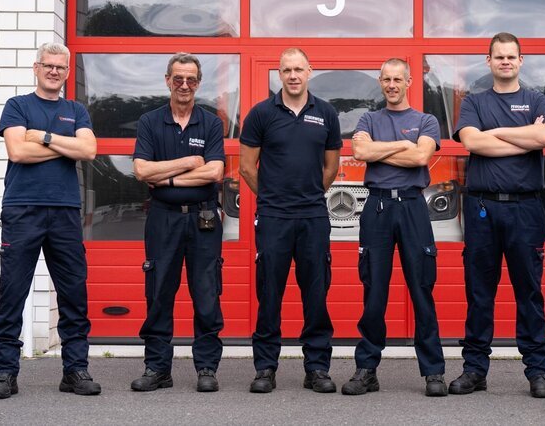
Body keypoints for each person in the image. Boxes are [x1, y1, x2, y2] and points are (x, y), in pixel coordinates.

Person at [0, 42, 101, 399]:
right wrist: (65, 146)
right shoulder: (18, 105)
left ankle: (75, 370)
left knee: (73, 293)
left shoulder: (75, 110)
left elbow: (89, 150)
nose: (54, 71)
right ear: (36, 68)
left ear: (67, 73)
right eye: (48, 65)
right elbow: (18, 151)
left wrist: (45, 137)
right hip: (22, 209)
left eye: (60, 67)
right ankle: (5, 373)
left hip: (65, 211)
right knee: (12, 291)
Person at [448, 32, 545, 397]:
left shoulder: (538, 99)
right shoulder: (474, 101)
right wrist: (523, 137)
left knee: (529, 292)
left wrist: (496, 133)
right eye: (499, 57)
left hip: (526, 209)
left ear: (520, 61)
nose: (505, 62)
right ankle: (474, 369)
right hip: (483, 208)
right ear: (489, 61)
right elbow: (472, 141)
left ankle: (538, 371)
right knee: (479, 292)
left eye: (511, 56)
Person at [340, 58, 447, 397]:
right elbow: (360, 150)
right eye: (386, 79)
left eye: (397, 79)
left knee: (421, 288)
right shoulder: (369, 119)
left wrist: (380, 151)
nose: (391, 85)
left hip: (413, 207)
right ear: (380, 82)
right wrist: (403, 145)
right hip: (378, 207)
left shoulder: (426, 120)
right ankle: (367, 369)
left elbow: (420, 158)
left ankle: (433, 372)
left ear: (409, 82)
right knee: (374, 291)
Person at [239, 48, 341, 394]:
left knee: (316, 294)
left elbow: (331, 167)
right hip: (273, 217)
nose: (293, 76)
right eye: (287, 70)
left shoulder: (325, 113)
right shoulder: (261, 114)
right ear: (279, 74)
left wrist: (308, 194)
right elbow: (246, 167)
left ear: (309, 71)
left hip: (313, 216)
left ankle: (317, 368)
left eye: (299, 69)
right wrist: (272, 197)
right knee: (269, 293)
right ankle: (265, 367)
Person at [131, 53, 226, 393]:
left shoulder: (211, 123)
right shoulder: (150, 121)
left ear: (198, 83)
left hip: (203, 218)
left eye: (191, 79)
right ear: (167, 80)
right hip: (163, 218)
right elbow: (141, 170)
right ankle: (157, 368)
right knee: (158, 292)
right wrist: (189, 162)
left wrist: (167, 178)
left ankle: (207, 367)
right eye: (178, 79)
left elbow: (215, 172)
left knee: (206, 292)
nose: (184, 85)